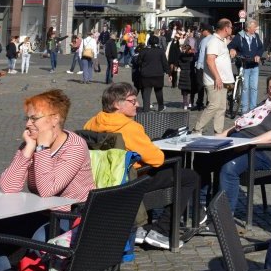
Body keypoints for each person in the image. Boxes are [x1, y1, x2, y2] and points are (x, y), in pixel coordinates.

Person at [84, 82, 199, 250]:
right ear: (117, 104)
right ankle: (163, 229)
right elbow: (157, 159)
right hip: (131, 180)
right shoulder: (130, 128)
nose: (137, 104)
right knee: (189, 177)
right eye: (132, 101)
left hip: (101, 180)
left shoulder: (92, 123)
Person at [217, 72, 271, 218]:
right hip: (239, 143)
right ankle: (203, 207)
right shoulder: (265, 105)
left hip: (263, 152)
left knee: (229, 167)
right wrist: (224, 134)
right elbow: (243, 124)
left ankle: (224, 218)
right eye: (269, 87)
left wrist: (248, 143)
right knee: (203, 159)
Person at [0, 89, 94, 209]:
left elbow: (47, 190)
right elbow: (7, 187)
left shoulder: (75, 146)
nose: (28, 124)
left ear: (55, 119)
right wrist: (28, 149)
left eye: (34, 118)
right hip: (40, 211)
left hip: (71, 217)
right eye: (27, 118)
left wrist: (42, 147)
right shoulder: (32, 143)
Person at [197, 19, 234, 133]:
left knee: (221, 108)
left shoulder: (221, 40)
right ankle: (197, 129)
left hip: (221, 80)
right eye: (231, 27)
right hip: (214, 80)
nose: (232, 29)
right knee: (214, 105)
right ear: (226, 28)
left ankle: (218, 132)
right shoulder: (213, 41)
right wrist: (217, 77)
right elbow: (210, 60)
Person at [233, 19, 265, 113]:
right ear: (248, 28)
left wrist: (258, 55)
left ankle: (252, 109)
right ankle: (244, 109)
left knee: (254, 88)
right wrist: (233, 50)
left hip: (254, 66)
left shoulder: (256, 36)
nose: (255, 29)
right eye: (254, 27)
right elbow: (231, 46)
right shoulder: (239, 36)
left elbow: (261, 47)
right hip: (244, 66)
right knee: (245, 88)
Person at [134, 34, 168, 111]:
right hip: (158, 74)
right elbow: (165, 63)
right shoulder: (160, 51)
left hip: (146, 74)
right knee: (158, 91)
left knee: (146, 92)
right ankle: (161, 107)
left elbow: (139, 62)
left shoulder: (144, 51)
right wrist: (168, 72)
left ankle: (146, 108)